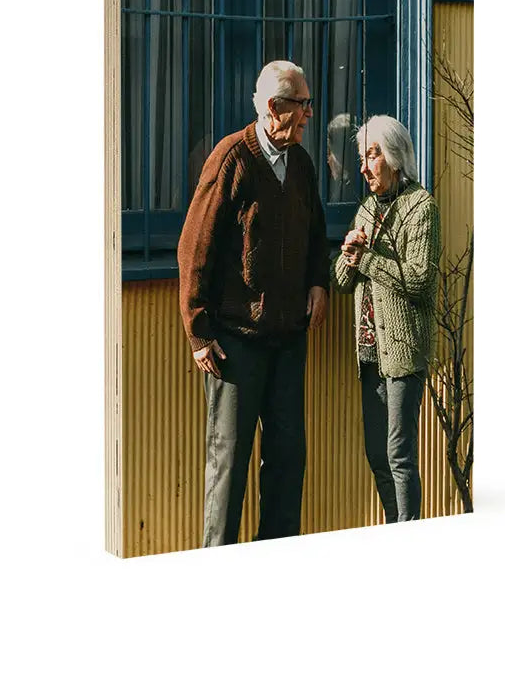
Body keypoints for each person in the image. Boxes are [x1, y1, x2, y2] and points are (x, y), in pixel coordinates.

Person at [178, 60, 330, 546]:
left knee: (287, 461)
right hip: (234, 345)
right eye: (303, 104)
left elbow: (315, 232)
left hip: (287, 339)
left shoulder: (302, 164)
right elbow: (194, 246)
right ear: (273, 108)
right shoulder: (230, 159)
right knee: (230, 464)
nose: (310, 114)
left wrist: (318, 282)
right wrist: (199, 331)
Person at [331, 115, 440, 523]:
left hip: (402, 351)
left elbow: (421, 280)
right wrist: (348, 252)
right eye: (360, 158)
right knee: (377, 453)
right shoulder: (366, 208)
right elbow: (341, 281)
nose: (362, 167)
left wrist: (370, 260)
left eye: (371, 156)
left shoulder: (420, 208)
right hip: (369, 351)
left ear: (393, 157)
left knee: (400, 454)